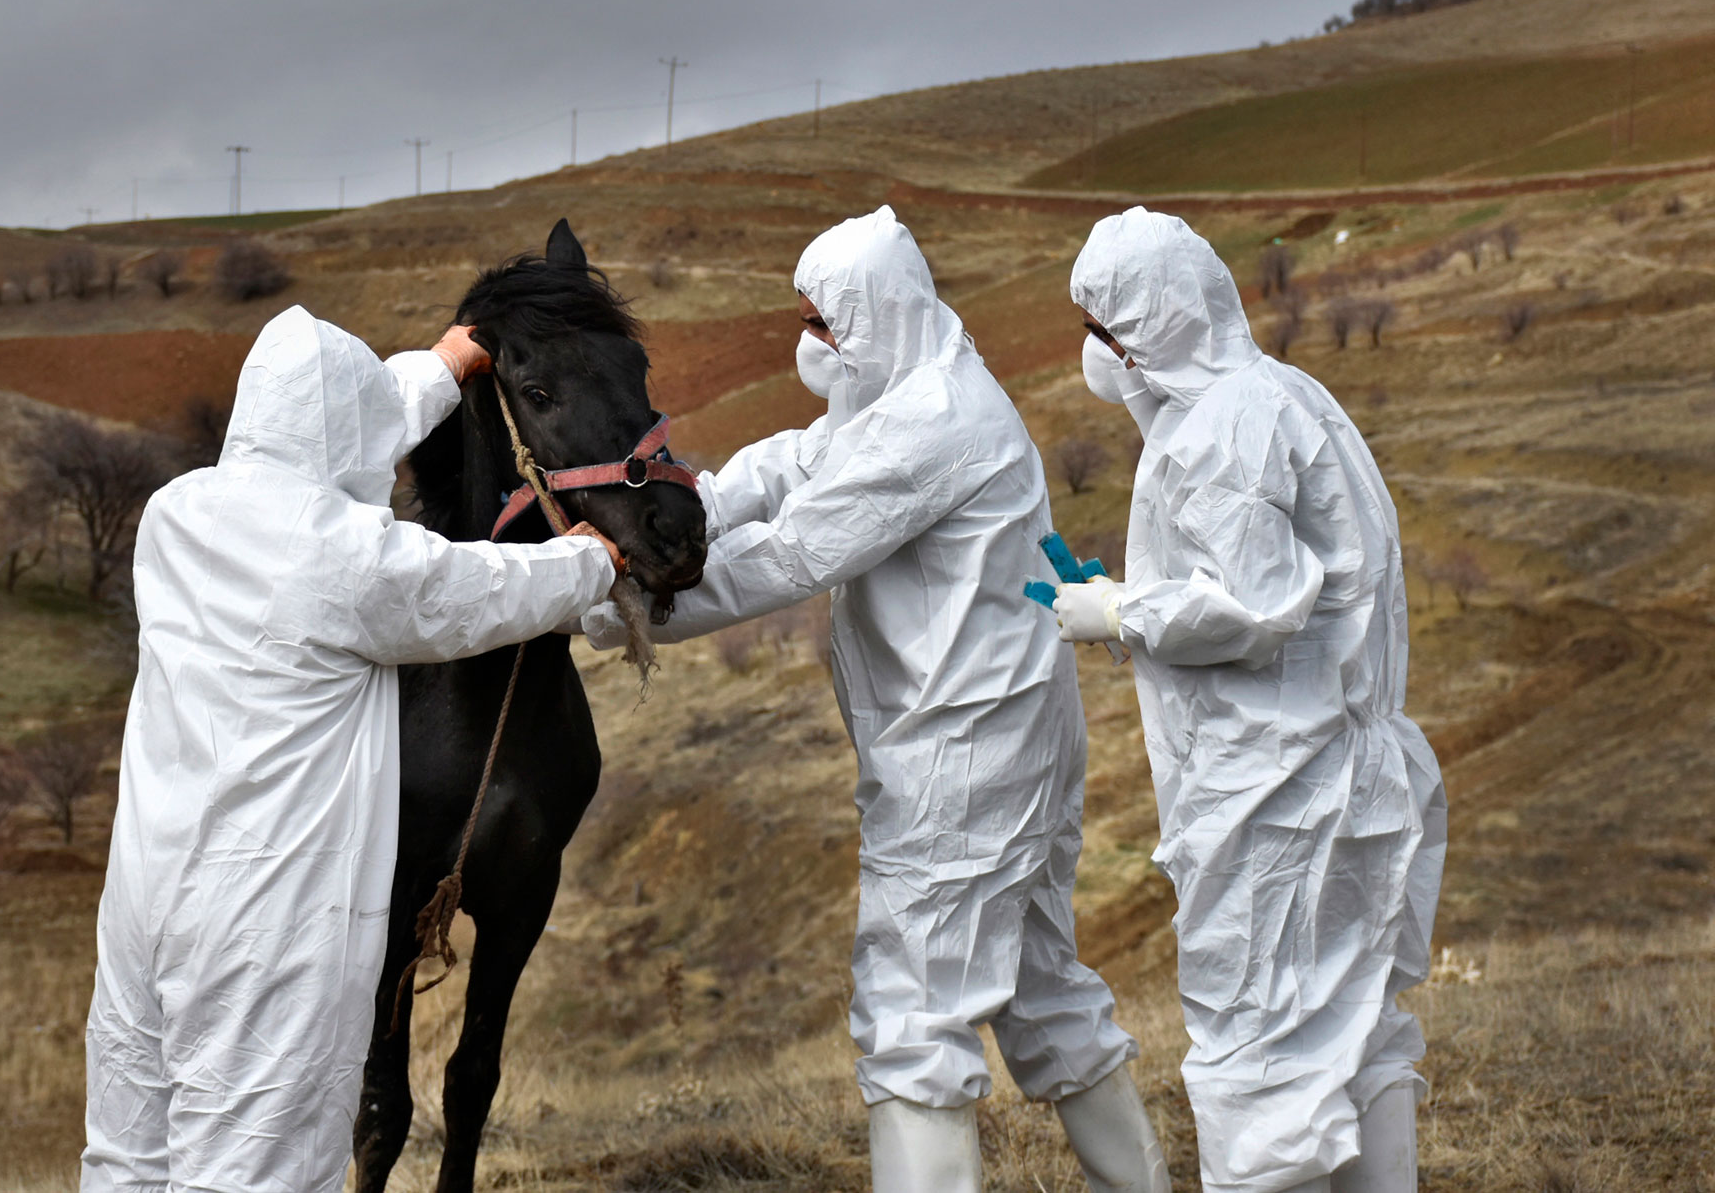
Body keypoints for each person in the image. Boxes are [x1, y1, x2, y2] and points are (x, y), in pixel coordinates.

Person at [589, 207, 1169, 1193]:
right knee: (1041, 992)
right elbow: (797, 464)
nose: (809, 345)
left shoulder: (934, 424)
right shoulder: (905, 389)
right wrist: (697, 503)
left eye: (824, 324)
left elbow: (797, 551)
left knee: (912, 1016)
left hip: (962, 758)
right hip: (1000, 740)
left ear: (873, 316)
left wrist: (615, 603)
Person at [81, 305, 626, 1193]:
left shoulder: (172, 514)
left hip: (145, 901)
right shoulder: (349, 560)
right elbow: (473, 592)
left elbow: (340, 435)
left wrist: (448, 364)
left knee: (128, 1156)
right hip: (267, 922)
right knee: (252, 1169)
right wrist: (592, 560)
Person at [1052, 208, 1446, 1193]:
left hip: (1275, 797)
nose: (1094, 356)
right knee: (1353, 1035)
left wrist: (1119, 612)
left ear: (1151, 328)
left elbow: (1253, 606)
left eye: (1104, 331)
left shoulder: (1220, 431)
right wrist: (1133, 608)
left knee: (1253, 1061)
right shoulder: (1286, 395)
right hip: (1351, 776)